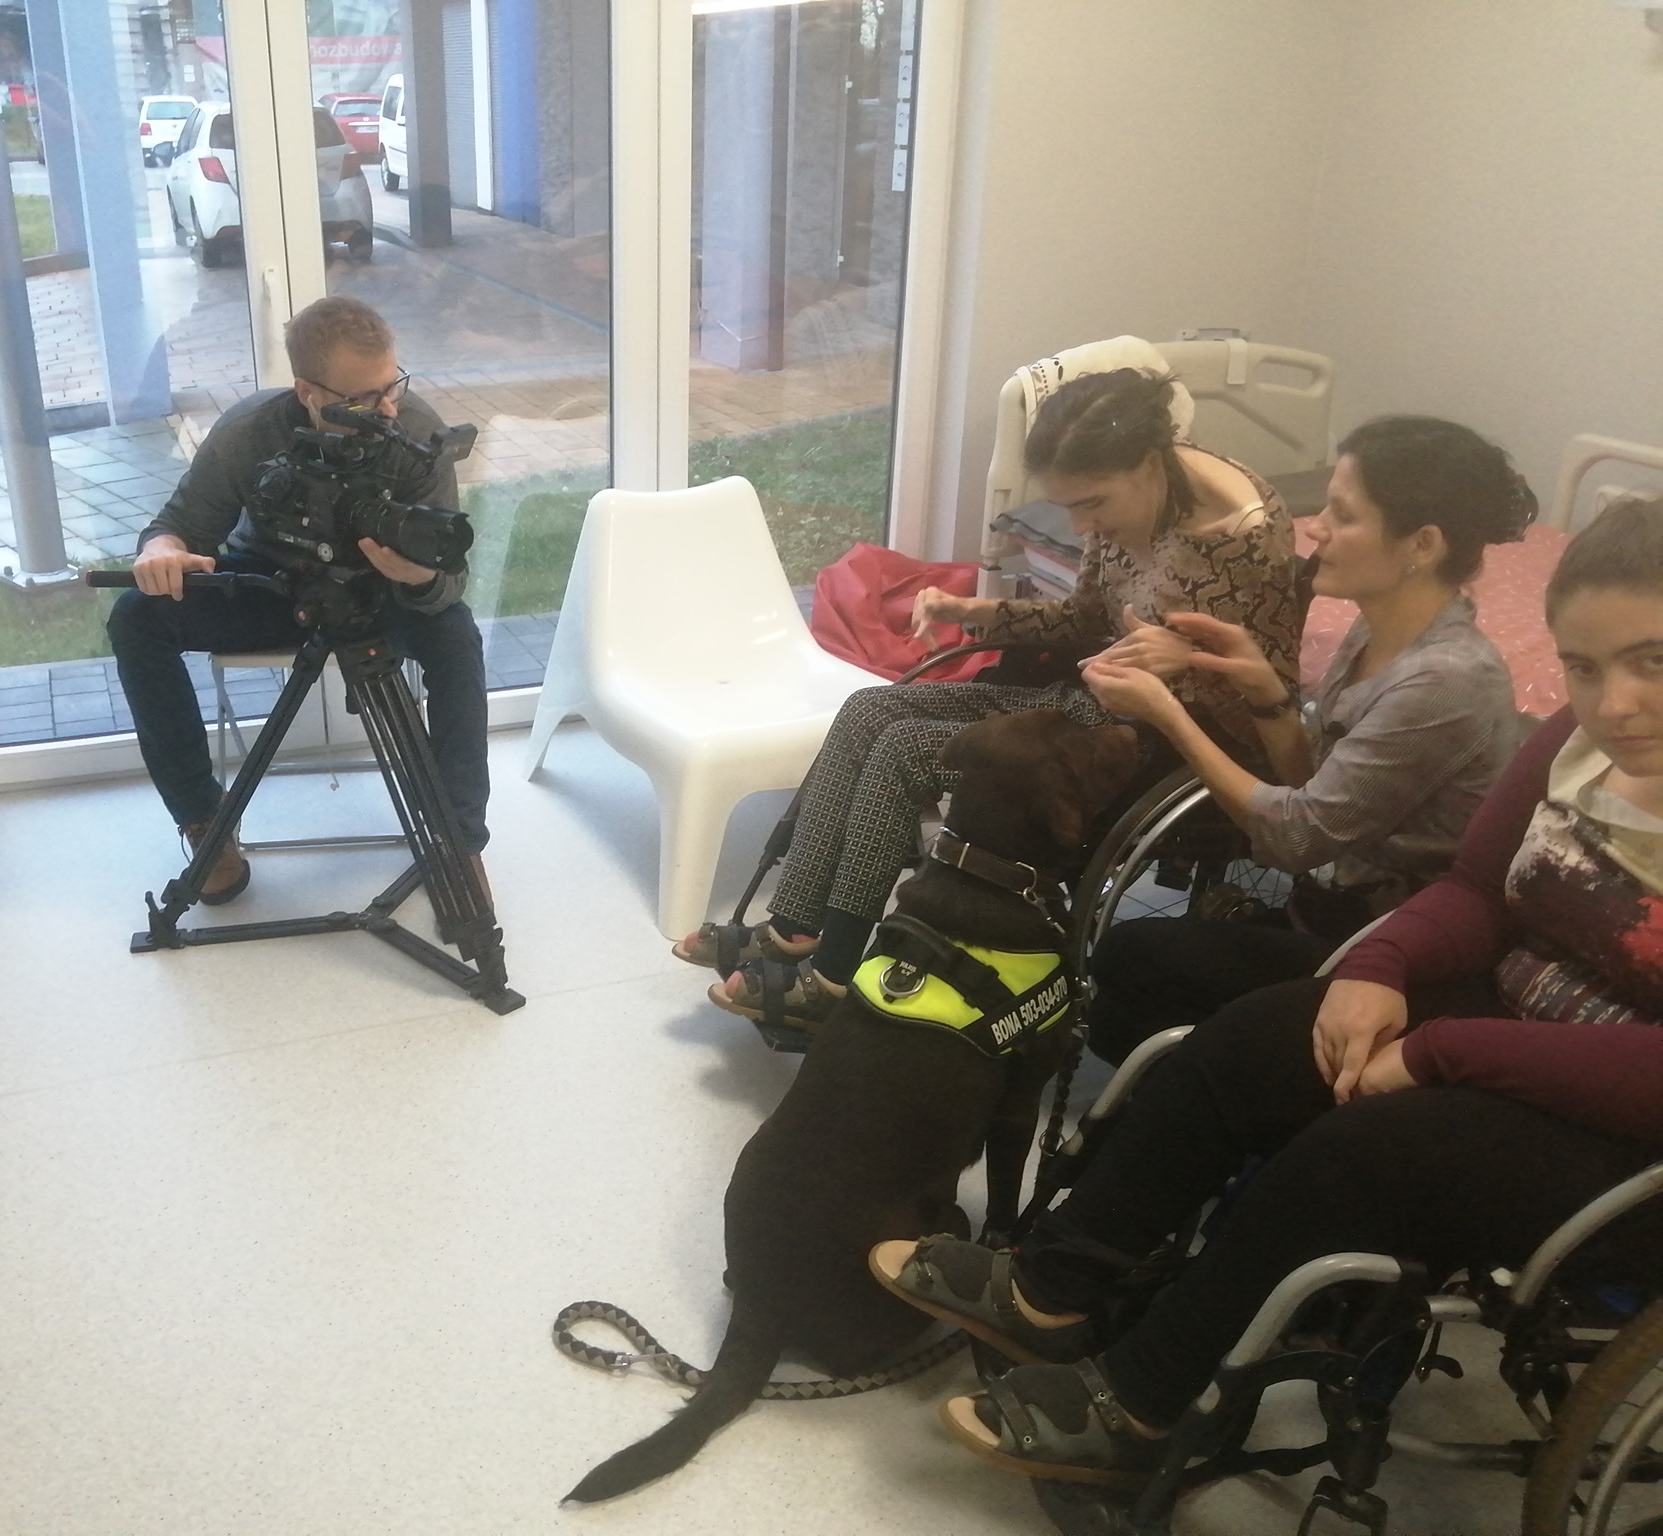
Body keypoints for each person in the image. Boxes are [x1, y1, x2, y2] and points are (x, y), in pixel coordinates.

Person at [869, 496, 1663, 1488]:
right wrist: (1375, 967)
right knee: (1248, 1041)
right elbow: (1473, 890)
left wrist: (1436, 1052)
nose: (1613, 704)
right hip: (1508, 1015)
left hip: (1626, 1132)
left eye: (1651, 661)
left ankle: (1143, 1405)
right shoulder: (1571, 746)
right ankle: (1049, 1287)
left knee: (1352, 1155)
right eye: (1583, 667)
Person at [675, 367, 1302, 1031]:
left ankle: (831, 979)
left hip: (1160, 743)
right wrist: (971, 610)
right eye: (1068, 507)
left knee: (907, 751)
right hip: (1089, 699)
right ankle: (795, 926)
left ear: (1150, 464)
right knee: (867, 709)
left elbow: (1270, 705)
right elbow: (1085, 620)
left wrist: (1191, 660)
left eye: (1093, 504)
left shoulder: (1244, 538)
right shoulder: (1127, 490)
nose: (1081, 524)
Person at [1077, 416, 1535, 1066]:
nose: (1314, 527)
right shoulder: (1374, 633)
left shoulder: (1445, 682)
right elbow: (1314, 782)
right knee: (1123, 993)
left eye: (1342, 515)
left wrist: (1167, 715)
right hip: (1324, 908)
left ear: (1422, 544)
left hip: (1382, 950)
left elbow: (1298, 837)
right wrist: (1265, 692)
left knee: (1132, 960)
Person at [106, 295, 489, 904]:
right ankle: (205, 821)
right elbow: (176, 526)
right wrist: (161, 552)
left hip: (383, 589)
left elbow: (449, 575)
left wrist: (420, 579)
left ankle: (458, 840)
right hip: (275, 585)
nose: (389, 410)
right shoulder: (250, 430)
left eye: (393, 386)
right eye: (364, 400)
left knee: (456, 637)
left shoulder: (416, 429)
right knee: (136, 617)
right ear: (307, 391)